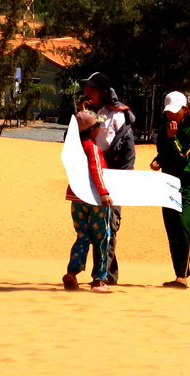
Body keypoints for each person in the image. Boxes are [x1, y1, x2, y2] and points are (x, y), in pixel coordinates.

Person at [78, 71, 136, 285]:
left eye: (91, 89)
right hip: (95, 178)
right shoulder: (94, 112)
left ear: (103, 92)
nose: (86, 92)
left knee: (108, 227)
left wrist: (88, 118)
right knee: (97, 228)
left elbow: (110, 144)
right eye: (86, 88)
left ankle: (102, 277)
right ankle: (107, 275)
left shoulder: (116, 114)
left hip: (114, 179)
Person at [150, 91, 190, 289]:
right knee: (172, 228)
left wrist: (172, 138)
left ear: (185, 110)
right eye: (168, 112)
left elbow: (184, 157)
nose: (171, 116)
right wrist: (157, 161)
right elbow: (163, 153)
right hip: (169, 182)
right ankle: (179, 274)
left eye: (175, 112)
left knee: (185, 227)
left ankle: (182, 275)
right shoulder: (164, 128)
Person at [62, 110, 114, 293]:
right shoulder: (91, 147)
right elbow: (97, 170)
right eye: (97, 125)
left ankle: (73, 272)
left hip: (76, 199)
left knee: (82, 237)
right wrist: (104, 193)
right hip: (94, 199)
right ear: (92, 129)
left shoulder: (74, 147)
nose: (100, 128)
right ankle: (99, 280)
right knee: (101, 238)